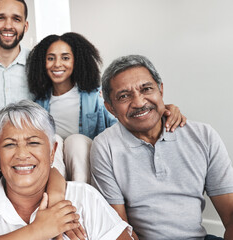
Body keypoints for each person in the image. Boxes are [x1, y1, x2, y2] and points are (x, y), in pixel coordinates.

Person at [90, 54, 233, 240]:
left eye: (146, 89)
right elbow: (119, 230)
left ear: (161, 91)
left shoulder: (203, 135)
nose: (139, 102)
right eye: (124, 96)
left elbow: (230, 214)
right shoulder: (104, 147)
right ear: (110, 107)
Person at [0, 100, 134, 240]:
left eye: (33, 142)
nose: (22, 154)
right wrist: (37, 231)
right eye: (10, 144)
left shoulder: (84, 198)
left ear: (52, 152)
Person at [27, 32, 186, 183]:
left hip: (86, 164)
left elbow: (123, 120)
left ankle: (82, 195)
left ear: (77, 61)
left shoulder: (95, 96)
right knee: (53, 140)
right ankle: (55, 197)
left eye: (65, 58)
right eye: (50, 58)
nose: (57, 64)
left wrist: (163, 110)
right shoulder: (38, 104)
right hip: (56, 166)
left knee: (75, 141)